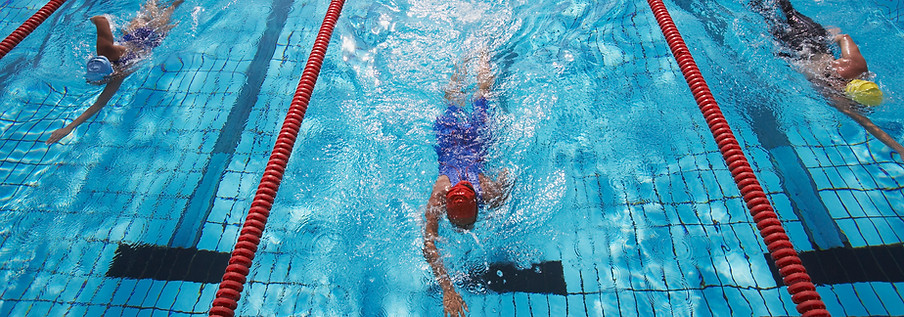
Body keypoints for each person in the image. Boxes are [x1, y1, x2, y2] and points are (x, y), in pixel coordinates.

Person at [422, 53, 511, 317]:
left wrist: (448, 289)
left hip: (477, 141)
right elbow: (428, 244)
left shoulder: (487, 192)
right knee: (456, 98)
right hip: (449, 139)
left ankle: (476, 55)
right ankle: (467, 57)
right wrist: (448, 289)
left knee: (482, 95)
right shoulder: (440, 191)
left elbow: (506, 174)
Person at [754, 0, 904, 156]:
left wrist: (827, 37)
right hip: (793, 46)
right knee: (766, 13)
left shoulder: (857, 66)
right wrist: (899, 149)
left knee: (788, 10)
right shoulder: (833, 94)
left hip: (812, 32)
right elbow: (867, 124)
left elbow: (843, 37)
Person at [45, 0, 184, 144]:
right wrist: (68, 128)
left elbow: (101, 19)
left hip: (151, 34)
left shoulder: (110, 56)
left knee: (171, 8)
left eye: (99, 81)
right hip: (140, 35)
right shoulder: (114, 67)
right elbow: (99, 104)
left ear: (108, 74)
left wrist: (94, 18)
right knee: (152, 7)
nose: (96, 83)